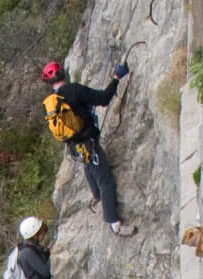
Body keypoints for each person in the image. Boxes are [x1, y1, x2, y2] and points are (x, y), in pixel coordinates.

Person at [40, 60, 135, 237]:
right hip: (88, 142)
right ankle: (115, 225)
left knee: (88, 165)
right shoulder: (75, 90)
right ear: (63, 73)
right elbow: (103, 98)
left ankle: (96, 195)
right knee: (106, 179)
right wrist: (117, 77)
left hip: (74, 146)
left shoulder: (51, 104)